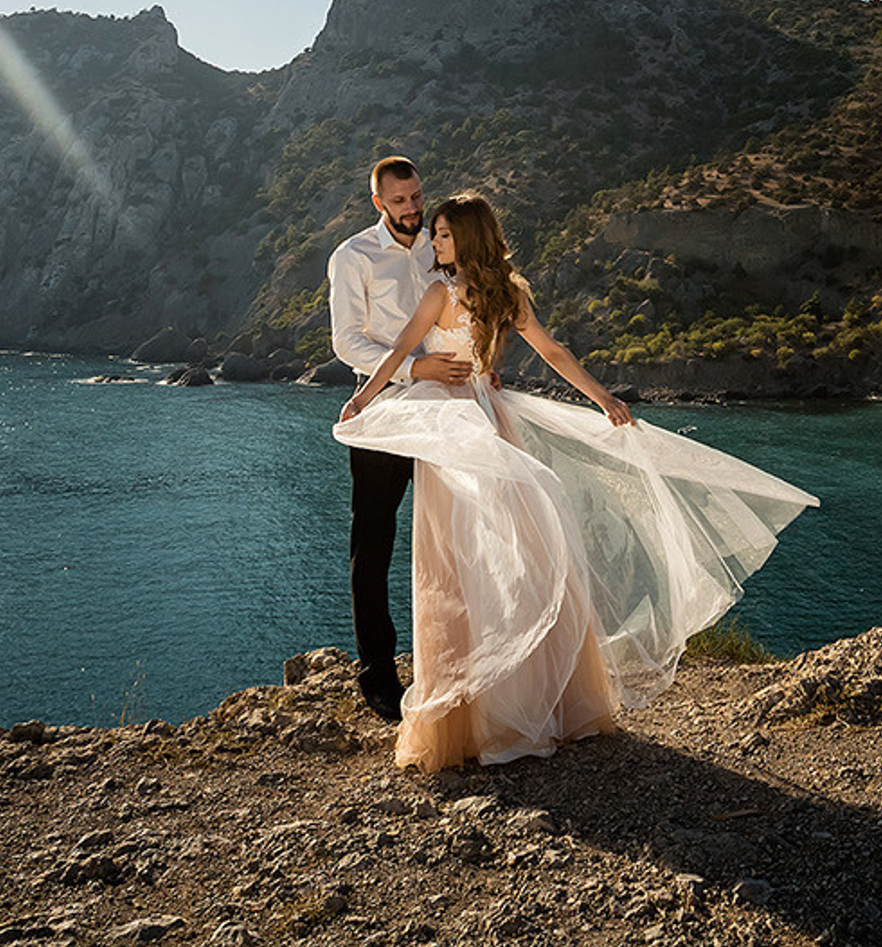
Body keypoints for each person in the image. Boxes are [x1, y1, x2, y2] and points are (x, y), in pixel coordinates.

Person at [336, 192, 817, 772]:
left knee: (483, 557)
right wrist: (363, 398)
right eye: (433, 233)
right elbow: (430, 351)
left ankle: (502, 708)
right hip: (471, 427)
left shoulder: (463, 293)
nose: (434, 243)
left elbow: (523, 352)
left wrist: (605, 398)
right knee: (487, 556)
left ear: (466, 237)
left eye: (442, 234)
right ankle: (495, 706)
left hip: (473, 427)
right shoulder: (474, 291)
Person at [326, 155, 475, 723]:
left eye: (417, 197)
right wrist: (416, 370)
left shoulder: (443, 247)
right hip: (387, 409)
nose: (413, 209)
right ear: (378, 204)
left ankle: (457, 663)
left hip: (450, 412)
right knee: (374, 542)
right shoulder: (352, 257)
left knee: (455, 535)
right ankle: (378, 674)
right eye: (401, 201)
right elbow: (347, 342)